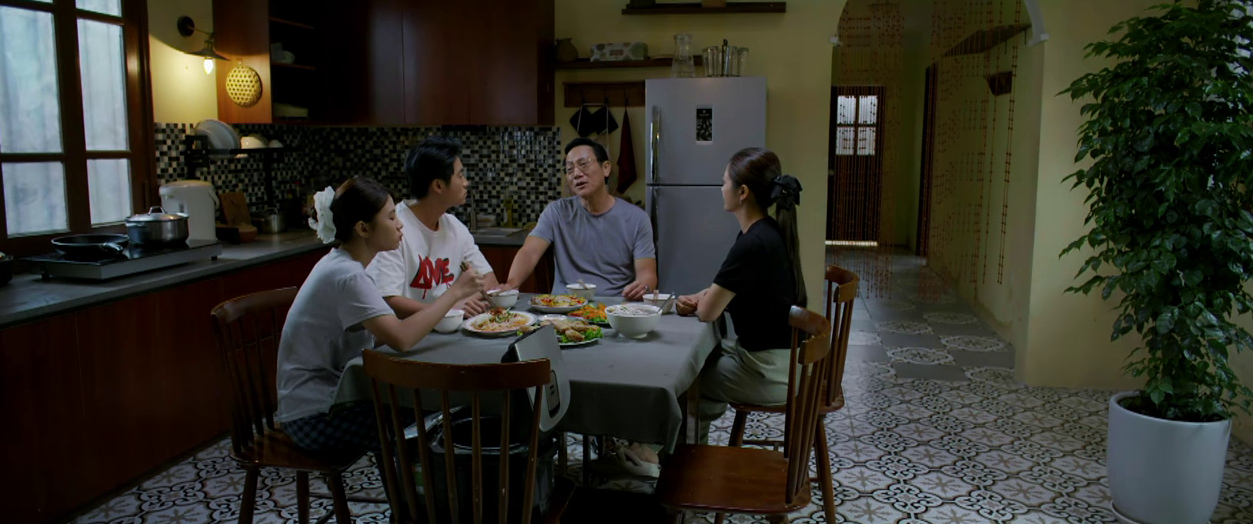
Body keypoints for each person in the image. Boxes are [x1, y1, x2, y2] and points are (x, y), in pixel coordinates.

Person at [278, 176, 484, 457]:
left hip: (327, 401)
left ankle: (408, 485)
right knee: (428, 421)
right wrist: (456, 292)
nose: (400, 225)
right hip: (313, 415)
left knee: (424, 411)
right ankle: (416, 487)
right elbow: (401, 339)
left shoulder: (343, 264)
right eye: (391, 218)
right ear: (363, 228)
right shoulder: (348, 276)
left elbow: (388, 333)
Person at [674, 148, 806, 444]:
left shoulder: (751, 244)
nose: (721, 189)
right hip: (782, 363)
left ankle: (676, 457)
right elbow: (726, 292)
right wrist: (701, 296)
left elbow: (707, 312)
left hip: (768, 374)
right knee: (700, 362)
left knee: (683, 378)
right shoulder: (767, 232)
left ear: (742, 192)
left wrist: (700, 302)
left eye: (724, 182)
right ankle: (691, 450)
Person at [505, 137, 657, 300]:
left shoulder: (637, 218)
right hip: (563, 305)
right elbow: (529, 252)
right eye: (569, 169)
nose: (576, 174)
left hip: (614, 306)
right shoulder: (556, 212)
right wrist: (511, 285)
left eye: (584, 164)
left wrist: (643, 287)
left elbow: (647, 273)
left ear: (605, 168)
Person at [367, 137, 499, 318]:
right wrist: (446, 310)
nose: (466, 182)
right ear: (438, 185)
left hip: (448, 327)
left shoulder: (454, 227)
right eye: (460, 176)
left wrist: (460, 305)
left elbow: (489, 280)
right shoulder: (393, 227)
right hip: (408, 330)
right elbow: (388, 299)